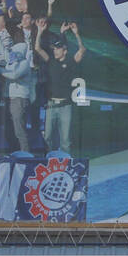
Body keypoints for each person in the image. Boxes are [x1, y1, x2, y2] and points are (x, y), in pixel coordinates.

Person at [34, 20, 85, 155]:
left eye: (58, 49)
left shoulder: (71, 62)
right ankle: (48, 163)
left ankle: (66, 165)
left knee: (65, 140)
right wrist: (39, 32)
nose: (55, 51)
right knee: (47, 138)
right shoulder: (51, 61)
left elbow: (82, 50)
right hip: (51, 105)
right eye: (54, 49)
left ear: (65, 50)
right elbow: (37, 48)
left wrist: (77, 34)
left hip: (65, 106)